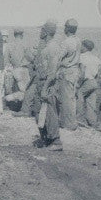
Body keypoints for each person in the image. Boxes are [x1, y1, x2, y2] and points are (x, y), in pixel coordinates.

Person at [33, 20, 63, 149]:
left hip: (48, 84)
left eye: (42, 30)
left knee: (50, 112)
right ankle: (45, 138)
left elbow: (52, 72)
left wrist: (45, 88)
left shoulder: (52, 47)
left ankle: (56, 141)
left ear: (45, 32)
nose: (40, 32)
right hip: (42, 82)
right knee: (39, 112)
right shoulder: (48, 46)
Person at [57, 18, 81, 130]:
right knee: (71, 98)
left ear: (67, 28)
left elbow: (58, 57)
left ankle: (67, 124)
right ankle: (72, 122)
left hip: (67, 71)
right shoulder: (78, 40)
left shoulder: (66, 42)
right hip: (75, 71)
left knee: (66, 99)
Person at [76, 39, 101, 127]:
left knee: (79, 97)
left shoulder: (82, 56)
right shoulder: (96, 58)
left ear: (85, 47)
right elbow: (98, 74)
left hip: (86, 81)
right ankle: (92, 122)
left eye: (82, 46)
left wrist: (79, 84)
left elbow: (82, 72)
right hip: (94, 82)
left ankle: (79, 119)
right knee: (91, 103)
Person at [4, 27, 30, 98]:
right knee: (25, 91)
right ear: (22, 35)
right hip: (24, 69)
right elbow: (30, 58)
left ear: (14, 35)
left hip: (14, 69)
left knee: (14, 88)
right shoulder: (25, 45)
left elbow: (6, 60)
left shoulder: (9, 45)